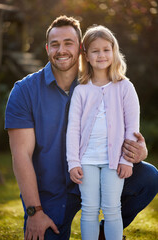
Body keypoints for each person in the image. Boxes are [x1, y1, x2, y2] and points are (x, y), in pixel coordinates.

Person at [4, 15, 158, 240]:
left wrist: (138, 152)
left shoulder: (101, 82)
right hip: (51, 195)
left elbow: (122, 127)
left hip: (101, 168)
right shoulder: (24, 91)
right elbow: (21, 157)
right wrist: (34, 211)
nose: (61, 50)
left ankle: (105, 234)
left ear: (81, 49)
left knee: (148, 178)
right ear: (47, 48)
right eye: (55, 44)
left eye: (69, 43)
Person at [66, 24, 140, 240]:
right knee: (89, 208)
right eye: (95, 50)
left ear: (114, 51)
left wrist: (127, 160)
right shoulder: (81, 90)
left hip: (115, 161)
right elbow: (73, 129)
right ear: (86, 55)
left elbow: (132, 128)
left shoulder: (125, 87)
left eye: (106, 49)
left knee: (112, 209)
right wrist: (74, 162)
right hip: (86, 159)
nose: (101, 55)